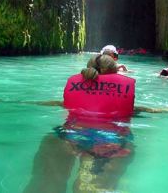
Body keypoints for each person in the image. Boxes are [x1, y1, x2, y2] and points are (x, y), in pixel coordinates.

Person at [25, 54, 135, 193]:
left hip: (68, 138)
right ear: (115, 75)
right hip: (110, 144)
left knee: (45, 185)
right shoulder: (124, 98)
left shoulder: (64, 102)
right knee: (91, 188)